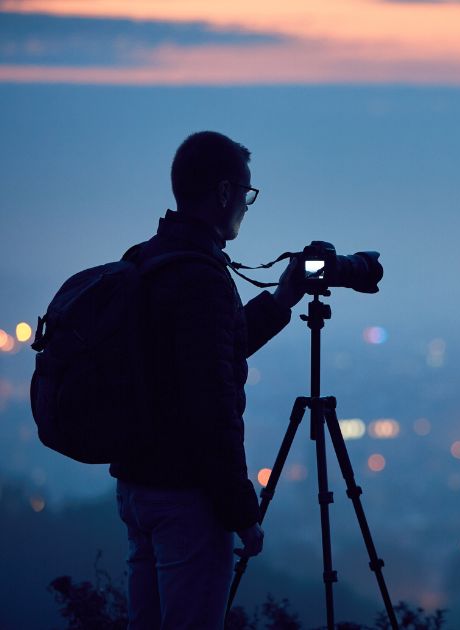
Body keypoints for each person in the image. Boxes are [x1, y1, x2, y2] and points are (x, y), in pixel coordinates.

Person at [110, 131, 304, 628]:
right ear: (223, 193)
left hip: (137, 486)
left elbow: (209, 352)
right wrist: (242, 512)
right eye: (246, 193)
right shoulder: (200, 278)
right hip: (185, 498)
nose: (246, 204)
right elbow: (210, 406)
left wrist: (280, 300)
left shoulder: (146, 258)